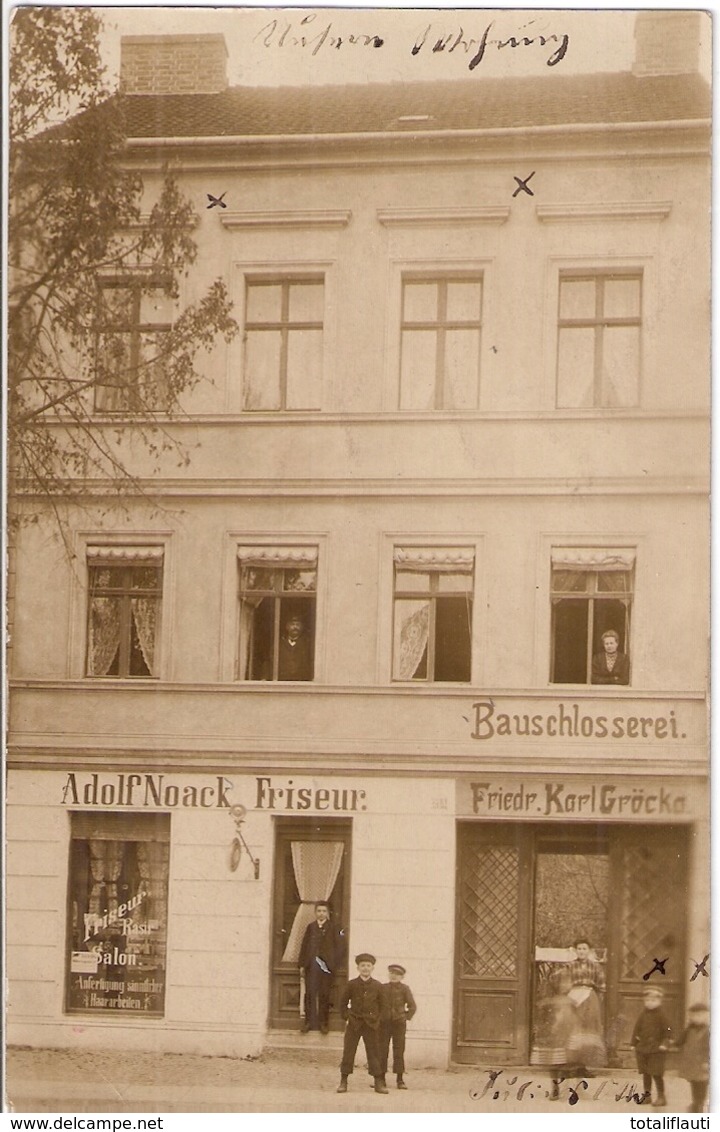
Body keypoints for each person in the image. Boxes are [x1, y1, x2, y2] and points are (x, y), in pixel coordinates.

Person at [337, 953, 388, 1094]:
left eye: (368, 966)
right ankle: (343, 1081)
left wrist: (377, 1020)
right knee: (348, 1052)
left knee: (374, 1053)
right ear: (358, 968)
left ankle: (378, 1082)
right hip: (354, 1023)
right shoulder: (351, 984)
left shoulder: (378, 986)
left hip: (371, 1025)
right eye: (362, 966)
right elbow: (342, 1003)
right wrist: (347, 1016)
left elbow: (384, 1007)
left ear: (372, 968)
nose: (365, 968)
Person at [298, 901, 345, 1034]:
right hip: (311, 966)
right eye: (319, 911)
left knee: (324, 994)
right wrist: (302, 964)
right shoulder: (311, 927)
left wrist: (332, 962)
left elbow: (341, 947)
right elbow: (304, 946)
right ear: (315, 912)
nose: (321, 914)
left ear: (328, 913)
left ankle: (324, 1023)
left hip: (326, 967)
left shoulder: (334, 928)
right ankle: (308, 1022)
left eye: (324, 911)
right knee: (310, 994)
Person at [564, 939, 606, 1075]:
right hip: (573, 997)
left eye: (584, 949)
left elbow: (601, 984)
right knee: (573, 1030)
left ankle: (583, 1067)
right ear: (575, 950)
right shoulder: (569, 966)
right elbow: (562, 982)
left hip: (589, 998)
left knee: (588, 1031)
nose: (582, 951)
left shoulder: (595, 966)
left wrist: (596, 999)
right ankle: (572, 1066)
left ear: (589, 951)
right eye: (579, 949)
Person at [631, 986, 672, 1107]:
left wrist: (665, 1043)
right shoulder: (643, 1015)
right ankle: (647, 1096)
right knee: (646, 1073)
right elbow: (636, 1029)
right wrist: (633, 1043)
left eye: (653, 1000)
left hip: (656, 1050)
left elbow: (668, 1031)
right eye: (647, 1000)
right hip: (643, 1049)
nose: (650, 1003)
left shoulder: (662, 1016)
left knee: (657, 1073)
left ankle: (661, 1097)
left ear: (659, 1001)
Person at [379, 963, 417, 1090]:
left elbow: (412, 1006)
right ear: (388, 974)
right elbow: (375, 1004)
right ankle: (381, 1078)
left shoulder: (405, 989)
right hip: (384, 1024)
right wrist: (378, 1017)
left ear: (402, 977)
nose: (394, 976)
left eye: (397, 974)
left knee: (399, 1050)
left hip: (399, 1024)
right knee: (382, 1050)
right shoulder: (382, 988)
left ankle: (400, 1079)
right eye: (392, 973)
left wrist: (404, 1016)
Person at [673, 1002, 709, 1113]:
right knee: (694, 1083)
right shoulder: (689, 1030)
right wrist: (672, 1043)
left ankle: (700, 1103)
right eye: (694, 1016)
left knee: (702, 1084)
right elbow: (679, 1041)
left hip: (704, 1063)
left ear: (706, 1016)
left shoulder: (708, 1031)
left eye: (700, 1015)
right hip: (692, 1063)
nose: (696, 1018)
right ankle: (695, 1102)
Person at [261, 614, 313, 681]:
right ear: (287, 627)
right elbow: (268, 662)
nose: (295, 627)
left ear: (302, 627)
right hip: (281, 682)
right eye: (292, 624)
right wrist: (264, 678)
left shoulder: (307, 645)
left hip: (301, 682)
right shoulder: (278, 644)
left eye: (298, 625)